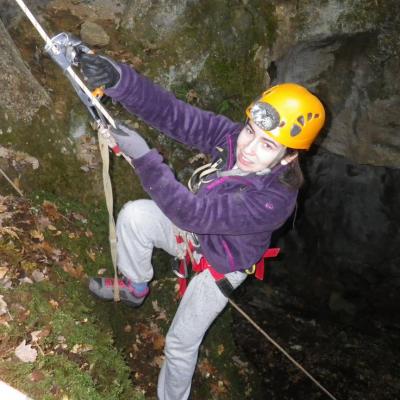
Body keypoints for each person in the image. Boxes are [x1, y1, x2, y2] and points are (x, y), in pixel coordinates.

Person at [79, 53, 325, 400]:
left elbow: (192, 214)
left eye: (267, 145)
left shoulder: (274, 200)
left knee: (180, 344)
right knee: (135, 215)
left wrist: (144, 158)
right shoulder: (231, 138)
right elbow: (175, 115)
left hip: (222, 266)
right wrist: (120, 80)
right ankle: (135, 286)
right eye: (250, 132)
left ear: (289, 157)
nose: (248, 149)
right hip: (192, 234)